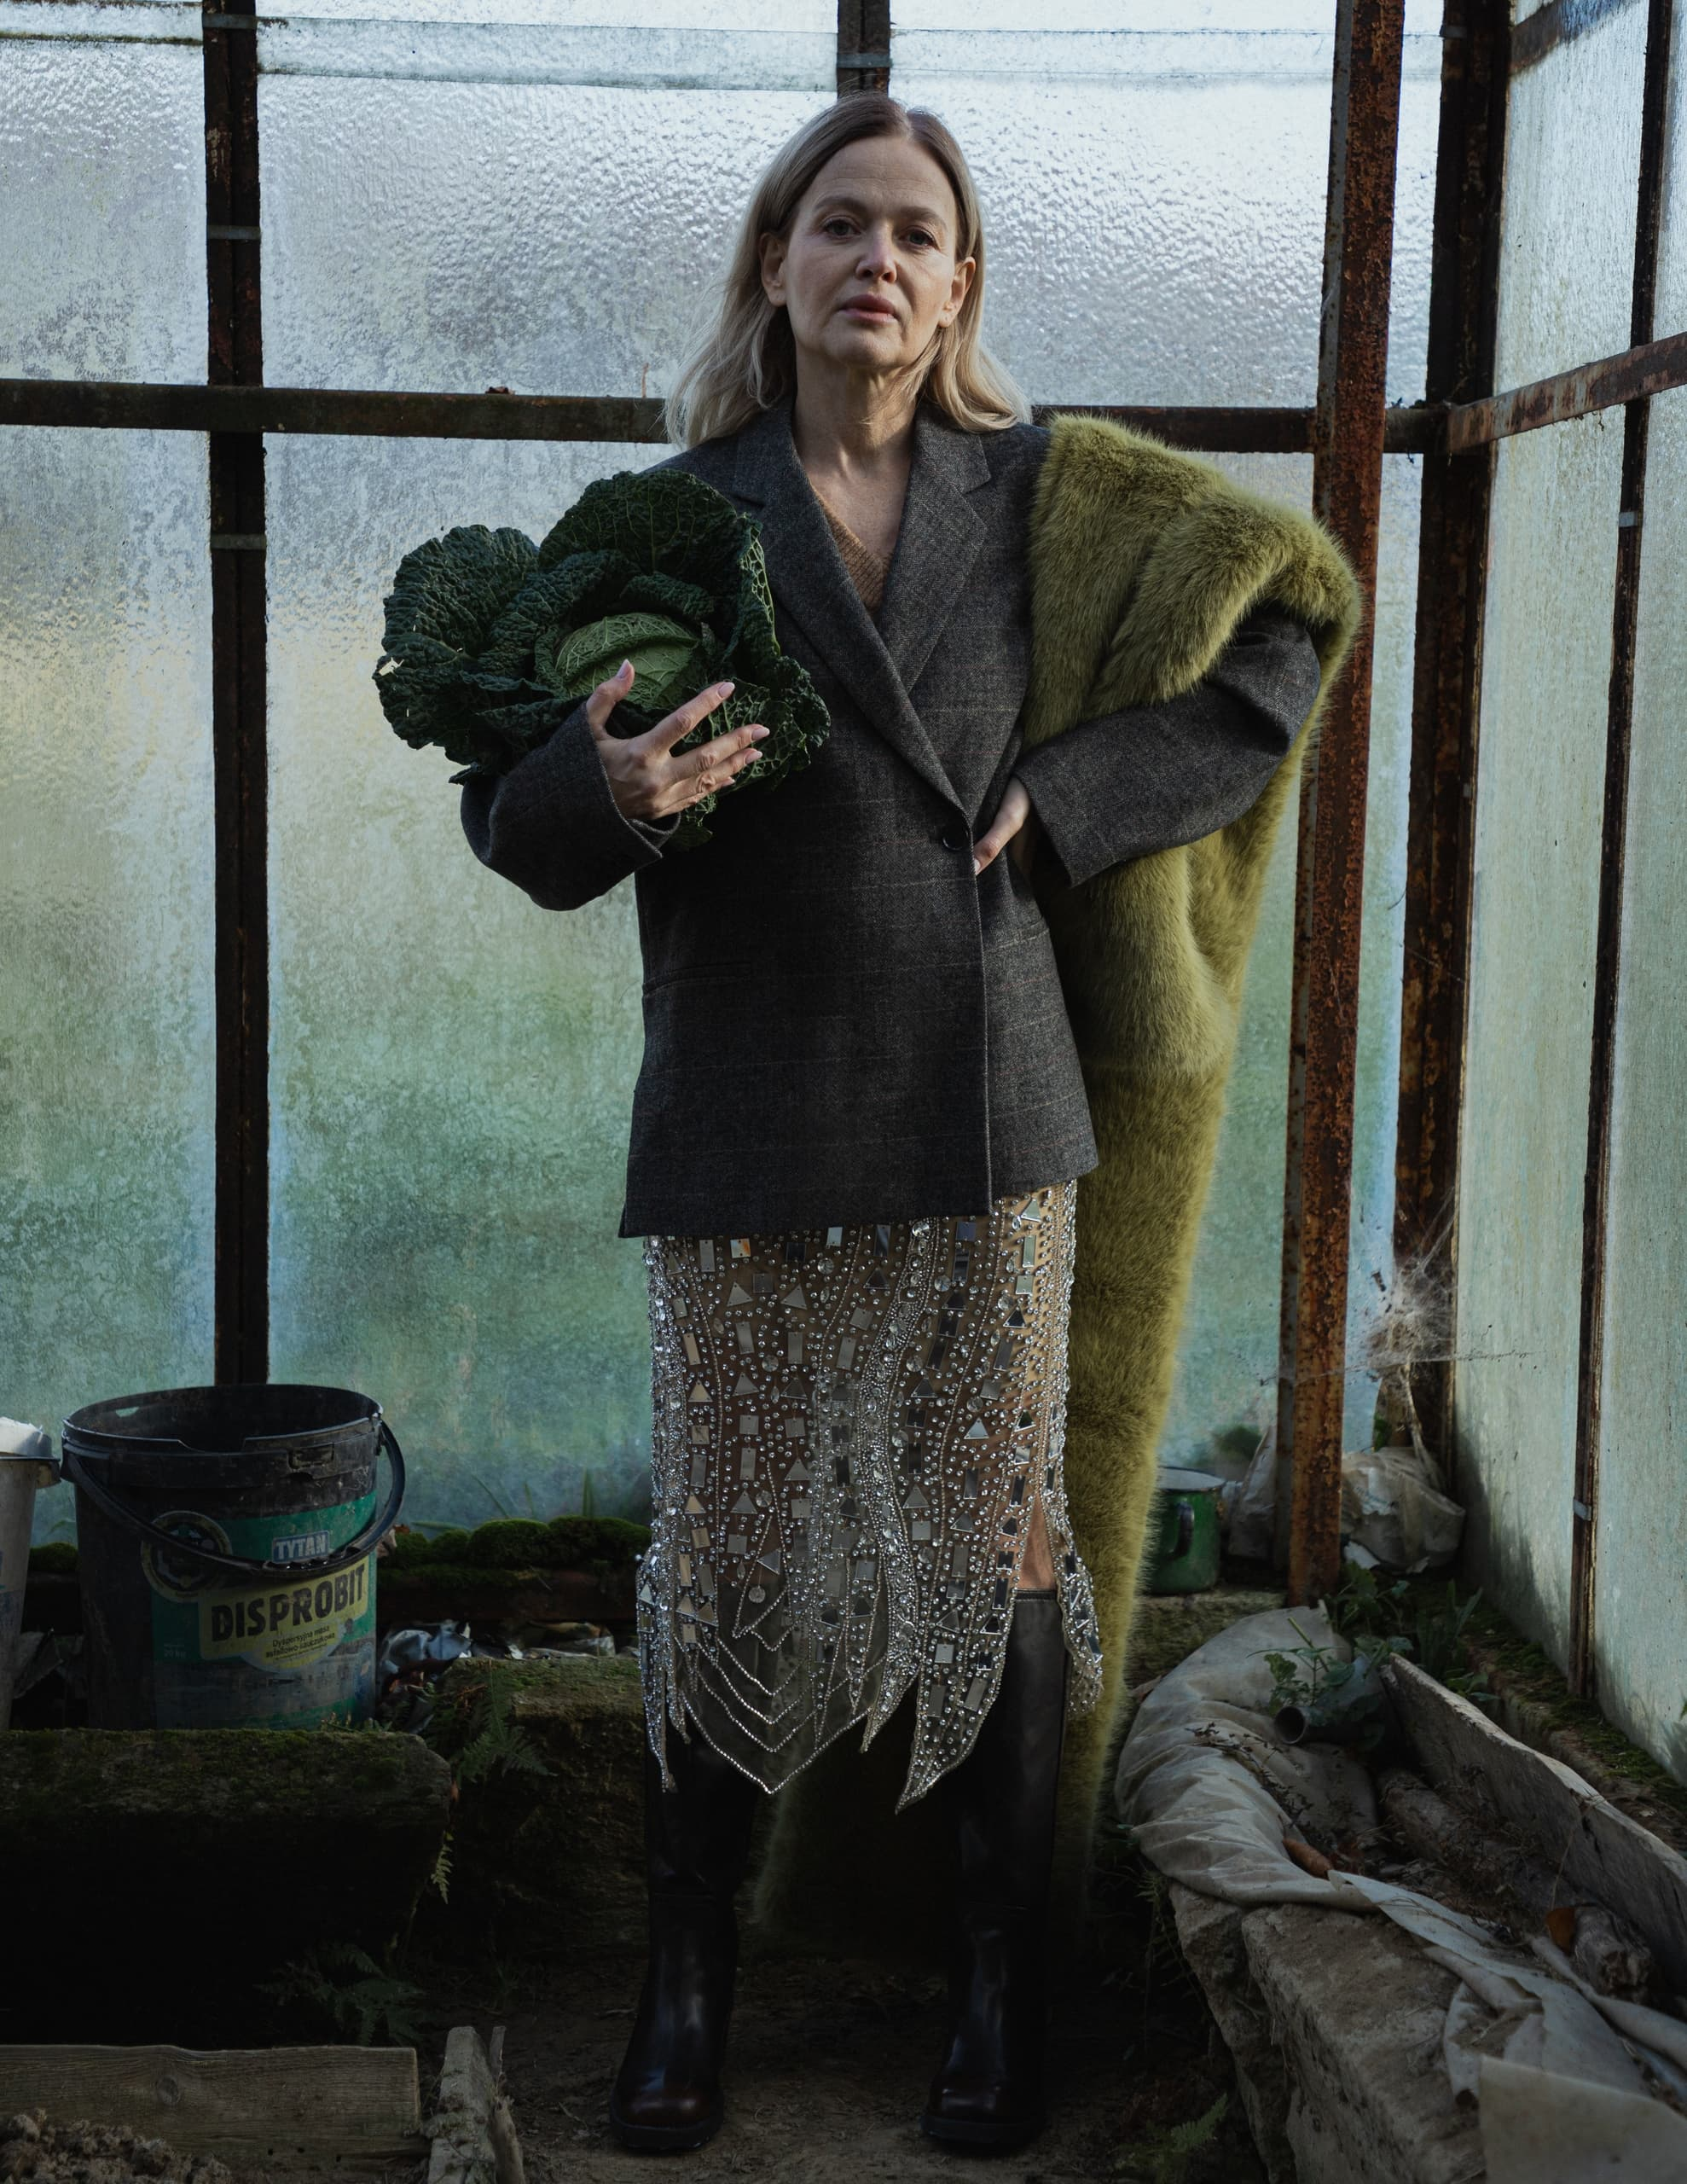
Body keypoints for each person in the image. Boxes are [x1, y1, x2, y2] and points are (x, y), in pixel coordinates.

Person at [461, 92, 1324, 2156]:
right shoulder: (662, 525)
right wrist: (613, 793)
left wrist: (1091, 791)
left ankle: (996, 1985)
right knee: (733, 1561)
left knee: (990, 1552)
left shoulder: (1049, 499)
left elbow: (1288, 619)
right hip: (747, 1121)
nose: (873, 258)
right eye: (833, 223)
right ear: (773, 266)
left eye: (912, 232)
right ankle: (684, 1993)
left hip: (985, 1109)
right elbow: (508, 815)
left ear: (956, 289)